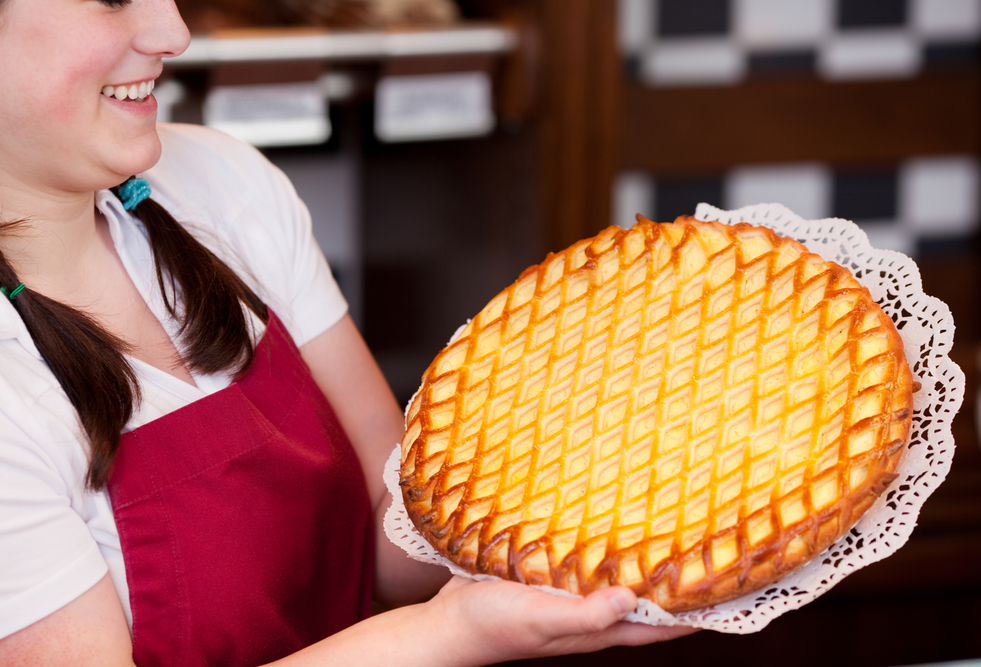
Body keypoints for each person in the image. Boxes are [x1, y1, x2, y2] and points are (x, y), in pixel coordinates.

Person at [0, 1, 695, 664]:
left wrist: (617, 449)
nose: (173, 32)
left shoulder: (221, 185)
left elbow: (397, 529)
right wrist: (447, 635)